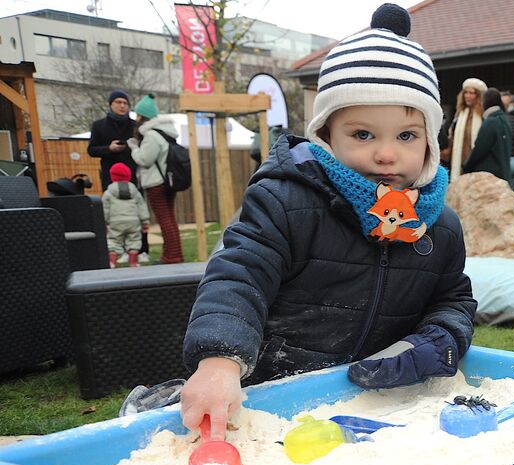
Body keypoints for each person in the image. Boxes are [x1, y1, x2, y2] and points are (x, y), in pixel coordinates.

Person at [179, 4, 476, 440]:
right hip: (272, 391)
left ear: (430, 141)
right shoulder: (286, 201)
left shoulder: (440, 226)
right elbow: (239, 275)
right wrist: (220, 360)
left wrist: (435, 342)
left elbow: (453, 299)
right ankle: (164, 398)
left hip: (374, 403)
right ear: (327, 137)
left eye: (407, 135)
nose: (386, 154)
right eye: (362, 134)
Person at [88, 89, 148, 263]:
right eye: (118, 102)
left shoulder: (134, 126)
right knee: (113, 212)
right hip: (110, 176)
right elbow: (91, 150)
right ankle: (117, 250)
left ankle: (141, 249)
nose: (122, 106)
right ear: (111, 104)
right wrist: (109, 148)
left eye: (125, 103)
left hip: (134, 175)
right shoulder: (99, 125)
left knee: (137, 211)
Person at [128, 93, 185, 264]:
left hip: (155, 182)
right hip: (168, 181)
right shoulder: (167, 133)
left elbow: (145, 160)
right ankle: (172, 255)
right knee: (170, 219)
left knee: (164, 220)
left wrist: (133, 148)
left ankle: (172, 257)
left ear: (141, 116)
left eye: (137, 115)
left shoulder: (152, 135)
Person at [102, 163, 149, 268]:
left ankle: (112, 263)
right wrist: (145, 221)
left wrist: (104, 223)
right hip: (133, 221)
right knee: (134, 241)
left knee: (113, 241)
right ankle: (133, 263)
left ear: (112, 176)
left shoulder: (108, 193)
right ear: (128, 176)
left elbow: (105, 209)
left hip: (115, 222)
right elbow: (141, 206)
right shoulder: (135, 191)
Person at [462, 87, 512, 181]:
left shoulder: (490, 122)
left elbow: (479, 149)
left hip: (489, 176)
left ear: (485, 102)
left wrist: (467, 165)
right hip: (503, 173)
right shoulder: (504, 120)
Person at [448, 77, 486, 181]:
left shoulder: (483, 115)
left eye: (472, 93)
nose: (468, 96)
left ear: (478, 96)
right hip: (459, 159)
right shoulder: (459, 114)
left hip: (474, 160)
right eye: (466, 93)